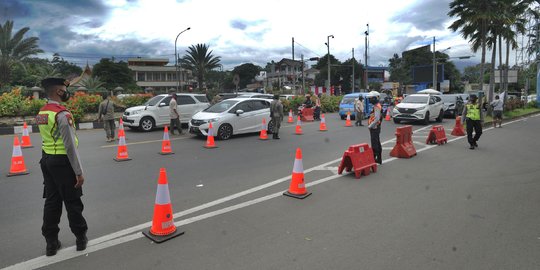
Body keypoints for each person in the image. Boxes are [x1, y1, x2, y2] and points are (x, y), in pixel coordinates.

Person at [36, 78, 87, 256]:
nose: (67, 92)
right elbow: (70, 146)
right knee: (72, 202)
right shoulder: (62, 114)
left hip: (46, 160)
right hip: (63, 162)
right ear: (59, 92)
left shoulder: (42, 112)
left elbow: (46, 139)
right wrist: (78, 172)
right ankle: (80, 238)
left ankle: (51, 243)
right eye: (65, 89)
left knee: (52, 202)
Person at [367, 94, 382, 164]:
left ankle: (374, 158)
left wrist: (370, 126)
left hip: (374, 127)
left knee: (374, 143)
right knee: (377, 142)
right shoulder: (377, 105)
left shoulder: (376, 107)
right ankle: (379, 159)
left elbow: (377, 118)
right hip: (376, 127)